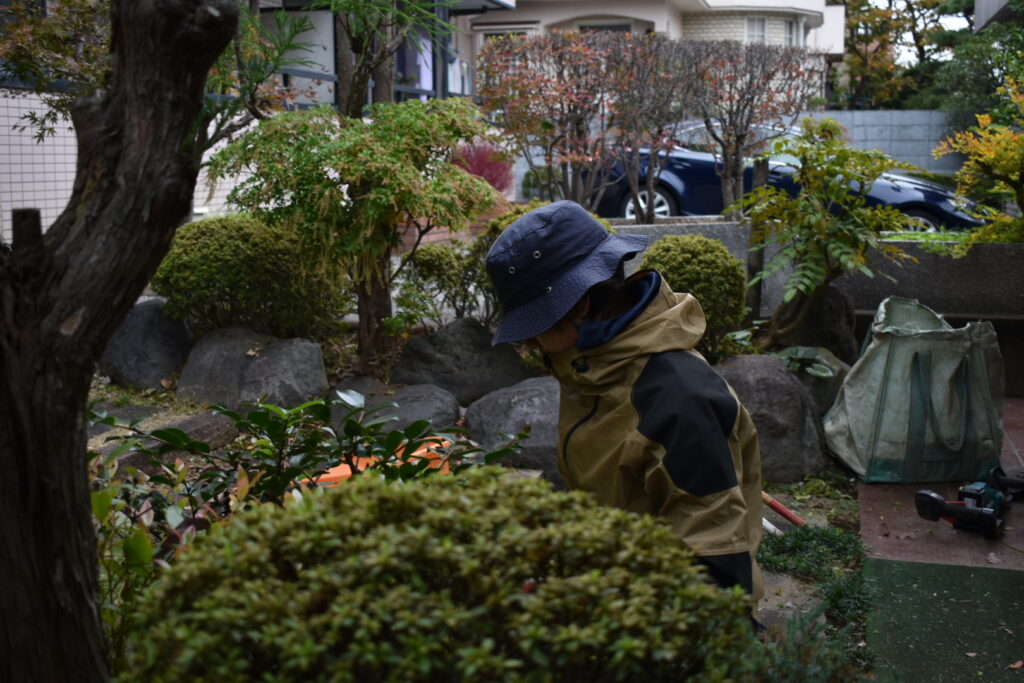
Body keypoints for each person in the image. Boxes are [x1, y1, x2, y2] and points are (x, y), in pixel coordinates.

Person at [486, 200, 764, 614]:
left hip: (661, 622)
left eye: (536, 325)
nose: (528, 343)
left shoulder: (679, 399)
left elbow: (715, 566)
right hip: (615, 584)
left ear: (579, 306)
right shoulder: (592, 363)